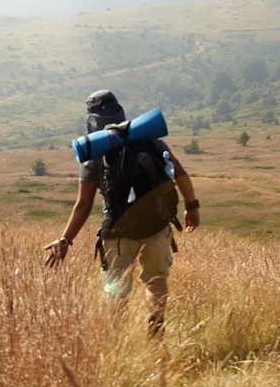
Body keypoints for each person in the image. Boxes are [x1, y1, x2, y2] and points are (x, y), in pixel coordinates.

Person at [42, 90, 200, 334]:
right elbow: (179, 173)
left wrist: (65, 240)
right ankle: (156, 327)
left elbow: (84, 204)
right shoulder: (150, 139)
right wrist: (192, 207)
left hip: (118, 228)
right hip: (156, 224)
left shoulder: (93, 152)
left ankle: (117, 340)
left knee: (116, 289)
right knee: (156, 280)